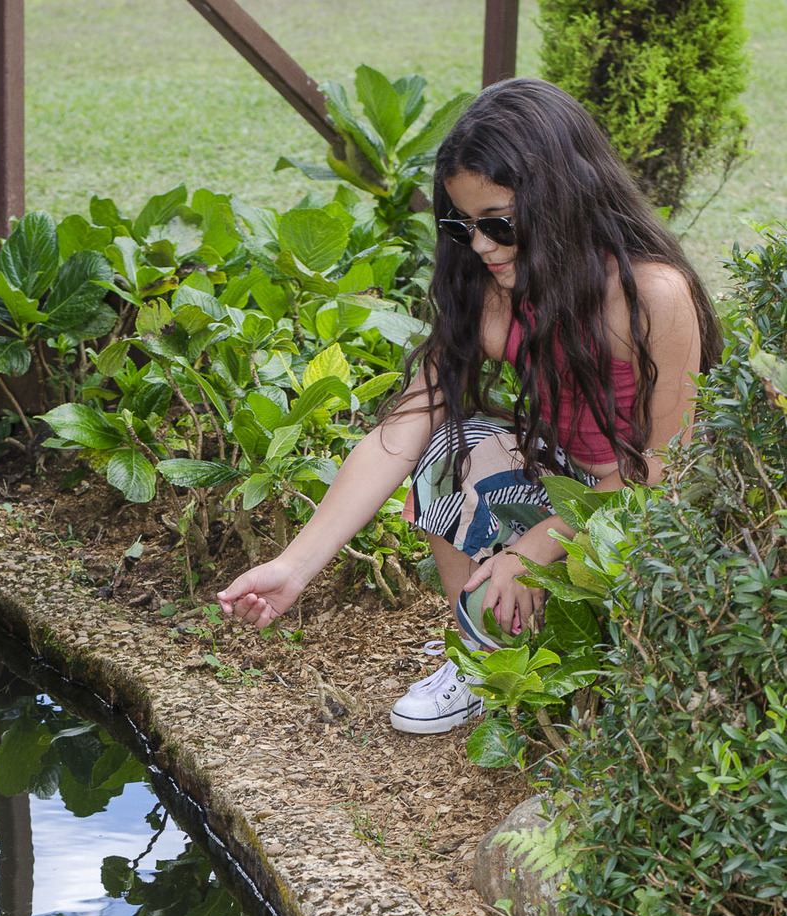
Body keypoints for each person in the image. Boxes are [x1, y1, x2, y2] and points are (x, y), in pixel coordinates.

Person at [217, 78, 723, 733]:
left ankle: (577, 655)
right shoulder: (491, 292)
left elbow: (664, 465)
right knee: (448, 447)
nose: (479, 245)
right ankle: (484, 658)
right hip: (572, 477)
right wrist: (294, 566)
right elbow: (398, 434)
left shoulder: (651, 294)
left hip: (649, 505)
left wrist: (536, 546)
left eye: (498, 224)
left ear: (561, 199)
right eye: (462, 225)